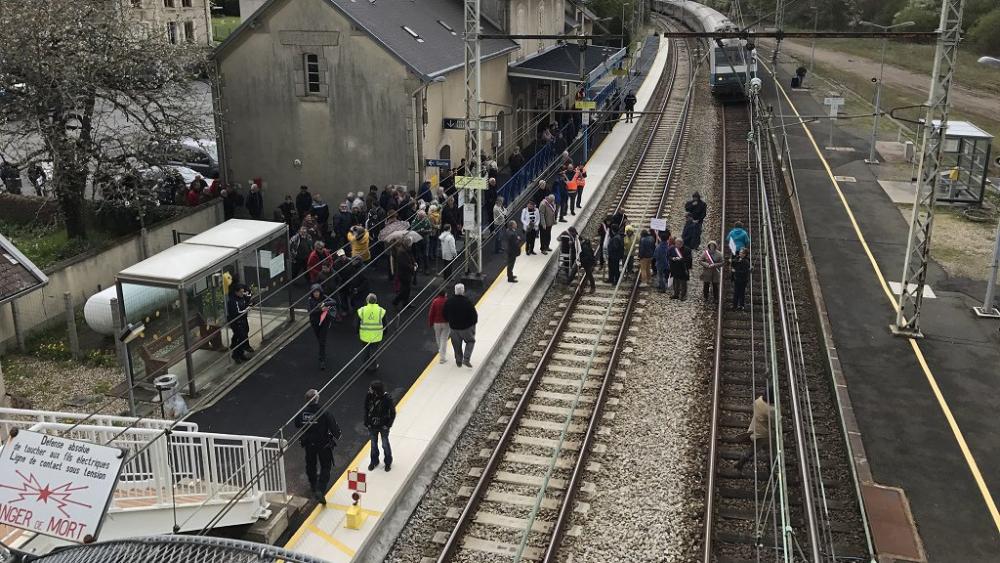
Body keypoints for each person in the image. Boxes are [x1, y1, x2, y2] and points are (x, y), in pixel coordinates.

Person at [294, 389, 342, 504]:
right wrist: (338, 435)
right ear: (316, 399)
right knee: (326, 466)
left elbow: (297, 424)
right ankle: (320, 489)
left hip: (309, 443)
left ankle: (313, 485)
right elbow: (333, 427)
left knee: (311, 464)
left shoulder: (302, 412)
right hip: (323, 444)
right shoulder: (324, 412)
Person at [736, 385, 773, 472]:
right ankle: (770, 468)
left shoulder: (758, 401)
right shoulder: (771, 410)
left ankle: (741, 462)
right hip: (763, 435)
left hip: (754, 429)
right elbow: (777, 419)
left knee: (758, 449)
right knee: (759, 450)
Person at [443, 283, 477, 368]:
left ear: (455, 291)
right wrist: (472, 325)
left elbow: (444, 313)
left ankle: (458, 361)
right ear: (463, 291)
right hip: (466, 328)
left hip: (454, 328)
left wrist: (449, 321)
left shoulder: (449, 302)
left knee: (456, 345)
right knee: (470, 341)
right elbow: (474, 316)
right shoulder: (467, 302)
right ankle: (466, 359)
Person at [365, 380, 396, 472]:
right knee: (373, 444)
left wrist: (388, 425)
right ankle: (374, 461)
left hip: (383, 426)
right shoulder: (369, 396)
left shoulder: (387, 398)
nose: (369, 389)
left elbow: (393, 413)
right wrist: (367, 422)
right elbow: (366, 409)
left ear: (376, 390)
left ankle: (388, 462)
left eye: (371, 388)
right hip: (372, 425)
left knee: (384, 444)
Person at [308, 284, 334, 370]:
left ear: (320, 291)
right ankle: (322, 353)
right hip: (315, 322)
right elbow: (311, 311)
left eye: (317, 291)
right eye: (314, 292)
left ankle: (322, 360)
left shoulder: (324, 297)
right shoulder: (310, 300)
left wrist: (324, 304)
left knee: (322, 341)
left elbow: (334, 302)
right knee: (319, 339)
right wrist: (321, 309)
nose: (316, 293)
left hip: (324, 322)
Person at [357, 293, 386, 371]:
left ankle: (364, 365)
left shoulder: (362, 310)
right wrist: (385, 332)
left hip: (364, 335)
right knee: (374, 351)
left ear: (367, 301)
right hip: (376, 335)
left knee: (365, 350)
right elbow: (384, 323)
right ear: (376, 301)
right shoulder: (381, 310)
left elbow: (358, 322)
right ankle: (373, 366)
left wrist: (357, 331)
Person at [226, 284, 252, 363]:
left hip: (243, 320)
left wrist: (248, 298)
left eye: (243, 292)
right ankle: (236, 355)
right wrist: (246, 309)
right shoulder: (233, 301)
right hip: (237, 322)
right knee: (240, 337)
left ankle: (241, 353)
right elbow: (237, 313)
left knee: (244, 336)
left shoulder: (242, 297)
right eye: (241, 292)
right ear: (236, 292)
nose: (242, 293)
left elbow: (248, 299)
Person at [392, 239, 416, 310]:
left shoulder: (406, 249)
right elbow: (404, 264)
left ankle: (405, 303)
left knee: (407, 289)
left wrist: (414, 262)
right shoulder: (401, 252)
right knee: (404, 290)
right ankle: (395, 302)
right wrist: (413, 267)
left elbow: (411, 257)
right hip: (403, 274)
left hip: (407, 274)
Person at [428, 289, 450, 364]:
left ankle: (440, 351)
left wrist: (430, 323)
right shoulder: (447, 301)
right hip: (446, 323)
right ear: (445, 294)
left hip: (436, 323)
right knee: (444, 339)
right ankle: (442, 357)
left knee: (438, 338)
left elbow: (431, 313)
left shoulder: (435, 301)